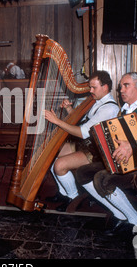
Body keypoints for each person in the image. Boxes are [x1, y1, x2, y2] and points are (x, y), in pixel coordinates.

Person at [75, 72, 137, 236]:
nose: (121, 91)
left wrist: (134, 146)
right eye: (120, 87)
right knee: (82, 173)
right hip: (125, 161)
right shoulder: (124, 110)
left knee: (102, 179)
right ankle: (120, 214)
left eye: (126, 85)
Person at [44, 70, 119, 211]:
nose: (90, 90)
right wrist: (69, 109)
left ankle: (73, 198)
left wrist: (57, 121)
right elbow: (84, 124)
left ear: (105, 87)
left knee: (59, 165)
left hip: (97, 151)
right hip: (87, 144)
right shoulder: (96, 101)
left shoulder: (109, 108)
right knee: (52, 153)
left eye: (93, 87)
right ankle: (63, 193)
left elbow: (83, 132)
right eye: (90, 87)